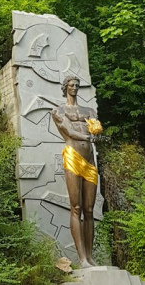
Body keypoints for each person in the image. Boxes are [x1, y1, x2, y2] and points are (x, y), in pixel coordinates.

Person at [51, 75, 100, 268]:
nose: (75, 87)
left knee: (89, 209)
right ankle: (82, 258)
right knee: (76, 207)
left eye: (77, 85)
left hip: (89, 160)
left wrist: (96, 130)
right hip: (73, 157)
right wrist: (88, 137)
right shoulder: (58, 111)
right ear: (65, 88)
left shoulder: (89, 111)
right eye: (71, 85)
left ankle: (90, 256)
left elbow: (96, 129)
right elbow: (69, 132)